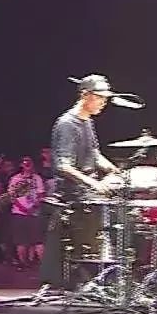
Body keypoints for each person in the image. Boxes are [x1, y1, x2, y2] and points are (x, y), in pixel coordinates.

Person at [42, 75, 120, 289]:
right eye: (100, 98)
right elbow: (63, 165)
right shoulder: (67, 124)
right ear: (85, 95)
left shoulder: (87, 122)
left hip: (87, 190)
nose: (104, 103)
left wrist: (114, 170)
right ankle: (91, 277)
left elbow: (94, 154)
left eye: (105, 99)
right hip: (73, 194)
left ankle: (107, 276)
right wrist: (94, 184)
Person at [8, 156, 47, 268]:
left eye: (29, 161)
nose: (27, 163)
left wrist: (34, 207)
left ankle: (44, 265)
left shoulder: (37, 178)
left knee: (38, 240)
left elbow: (41, 194)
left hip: (35, 213)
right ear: (21, 164)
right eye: (25, 161)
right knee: (21, 241)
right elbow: (12, 197)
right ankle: (23, 263)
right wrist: (23, 208)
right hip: (19, 213)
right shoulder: (15, 179)